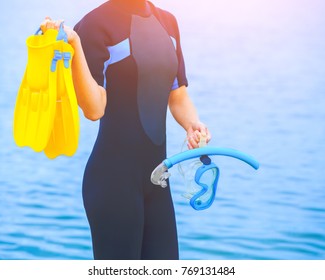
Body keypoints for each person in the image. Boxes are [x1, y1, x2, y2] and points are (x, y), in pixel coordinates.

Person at [41, 0, 211, 260]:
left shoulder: (167, 22)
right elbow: (94, 109)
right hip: (113, 182)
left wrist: (192, 124)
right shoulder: (94, 25)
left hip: (157, 183)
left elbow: (178, 95)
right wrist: (75, 47)